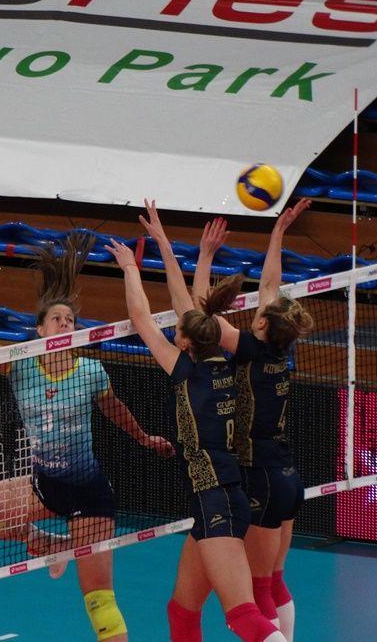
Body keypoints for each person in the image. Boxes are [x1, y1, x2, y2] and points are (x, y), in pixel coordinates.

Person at [0, 233, 174, 642]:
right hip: (43, 488)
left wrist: (145, 438)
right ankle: (48, 543)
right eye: (57, 319)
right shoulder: (21, 367)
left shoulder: (90, 372)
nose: (65, 324)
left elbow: (115, 410)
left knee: (99, 603)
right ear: (40, 330)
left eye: (70, 320)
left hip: (89, 497)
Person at [105, 199, 286, 642]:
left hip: (217, 500)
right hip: (222, 498)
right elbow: (187, 306)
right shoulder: (223, 362)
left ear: (184, 342)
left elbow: (141, 318)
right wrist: (165, 245)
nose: (173, 329)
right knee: (182, 612)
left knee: (242, 616)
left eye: (177, 330)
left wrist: (130, 268)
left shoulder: (186, 373)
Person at [191, 200, 313, 642]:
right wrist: (277, 233)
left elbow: (200, 316)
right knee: (275, 580)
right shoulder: (279, 348)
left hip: (260, 475)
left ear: (261, 322)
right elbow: (270, 285)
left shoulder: (251, 349)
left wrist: (205, 257)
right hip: (287, 475)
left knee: (260, 588)